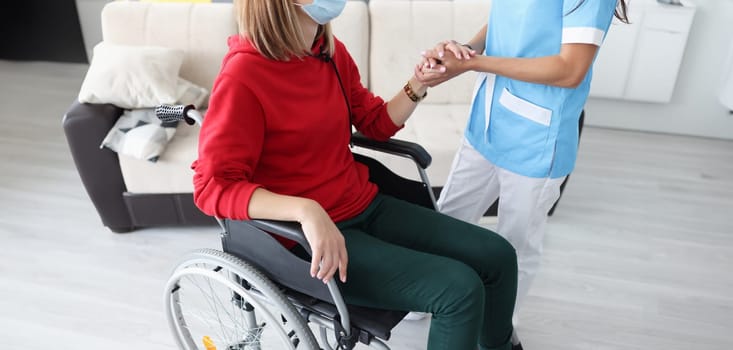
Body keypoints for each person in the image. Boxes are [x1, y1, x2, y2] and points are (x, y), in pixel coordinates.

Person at [192, 1, 519, 349]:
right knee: (458, 290)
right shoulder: (244, 75)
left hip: (362, 204)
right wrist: (307, 211)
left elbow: (374, 123)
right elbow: (213, 187)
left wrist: (419, 83)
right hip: (306, 244)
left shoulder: (328, 52)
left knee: (498, 255)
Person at [416, 0, 629, 321]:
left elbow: (570, 69)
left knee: (514, 245)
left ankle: (497, 327)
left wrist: (476, 64)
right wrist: (465, 50)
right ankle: (426, 299)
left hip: (536, 139)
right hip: (486, 122)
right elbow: (504, 20)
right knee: (448, 220)